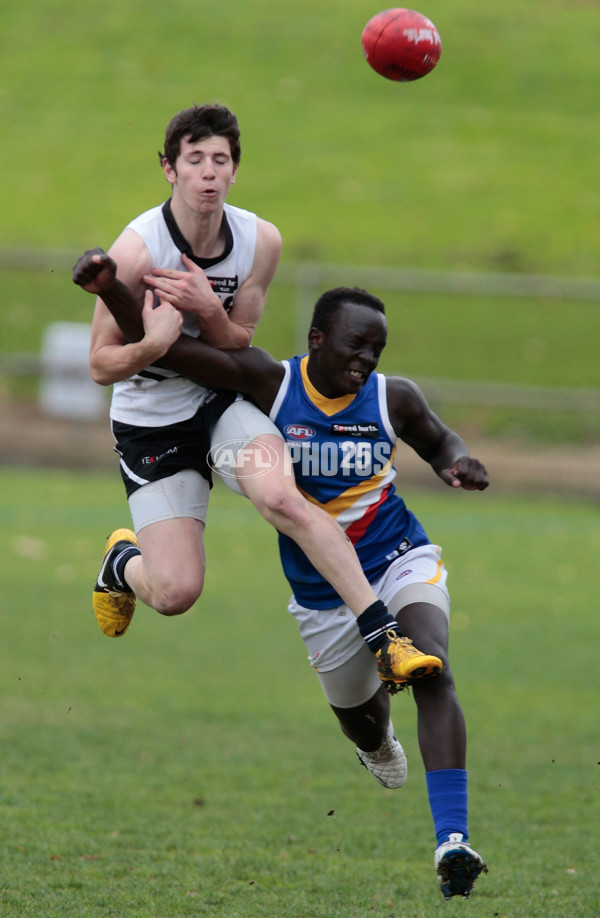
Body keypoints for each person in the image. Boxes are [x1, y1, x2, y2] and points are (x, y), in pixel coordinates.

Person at [73, 252, 489, 900]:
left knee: (431, 664)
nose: (366, 360)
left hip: (398, 554)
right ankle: (375, 744)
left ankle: (452, 842)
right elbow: (175, 355)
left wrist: (459, 464)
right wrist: (113, 293)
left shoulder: (393, 397)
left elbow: (440, 442)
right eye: (356, 346)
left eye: (377, 348)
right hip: (323, 598)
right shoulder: (272, 386)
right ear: (317, 339)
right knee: (364, 722)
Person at [82, 102, 442, 692]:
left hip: (218, 402)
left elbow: (239, 342)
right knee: (176, 593)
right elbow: (100, 364)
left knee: (284, 499)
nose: (208, 172)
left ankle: (385, 638)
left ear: (234, 169)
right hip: (151, 422)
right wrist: (152, 346)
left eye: (219, 160)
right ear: (169, 169)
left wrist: (204, 308)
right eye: (194, 159)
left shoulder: (258, 239)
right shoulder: (138, 250)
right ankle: (123, 563)